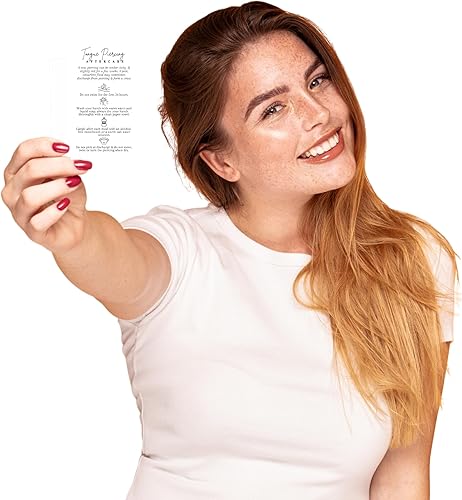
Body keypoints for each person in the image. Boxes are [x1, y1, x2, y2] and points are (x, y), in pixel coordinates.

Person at [1, 1, 459, 499]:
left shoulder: (413, 260)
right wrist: (74, 235)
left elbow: (402, 477)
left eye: (317, 81)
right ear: (221, 160)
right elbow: (115, 259)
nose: (320, 114)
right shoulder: (181, 251)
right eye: (273, 109)